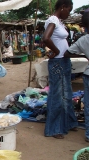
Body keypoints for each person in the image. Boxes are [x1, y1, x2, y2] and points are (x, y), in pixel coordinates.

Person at [42, 0, 78, 139]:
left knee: (67, 93)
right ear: (63, 7)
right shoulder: (53, 20)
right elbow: (46, 38)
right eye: (68, 10)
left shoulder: (58, 21)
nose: (68, 13)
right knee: (57, 95)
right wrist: (56, 51)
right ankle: (54, 128)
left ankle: (68, 122)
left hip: (63, 61)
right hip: (57, 62)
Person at [64, 10, 89, 143]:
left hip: (88, 75)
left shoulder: (83, 40)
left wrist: (85, 55)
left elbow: (67, 53)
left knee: (88, 106)